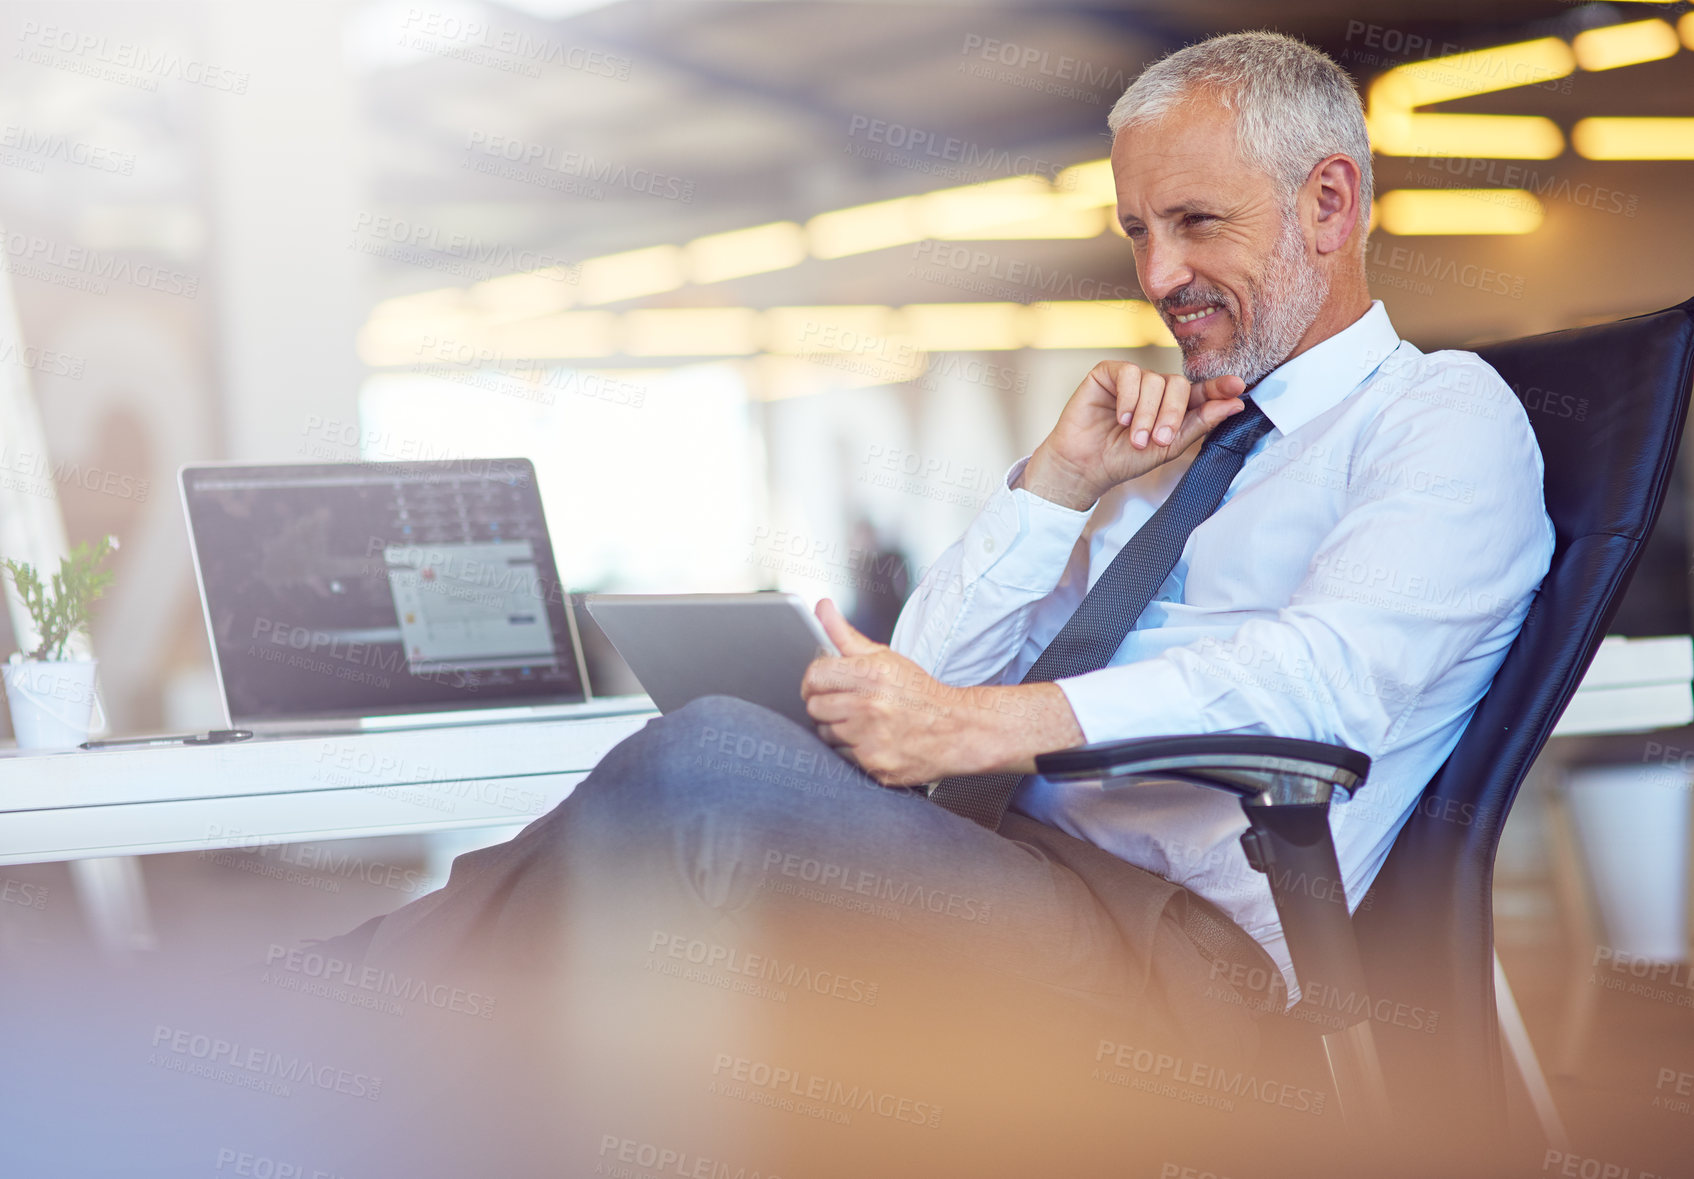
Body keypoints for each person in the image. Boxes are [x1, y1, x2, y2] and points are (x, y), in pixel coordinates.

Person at [301, 30, 1554, 1168]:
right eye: (1133, 232)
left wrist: (988, 725)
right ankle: (343, 1049)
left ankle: (305, 1027)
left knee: (702, 771)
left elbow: (1325, 678)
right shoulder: (1190, 449)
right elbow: (928, 669)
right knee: (670, 848)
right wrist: (1058, 487)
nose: (1157, 272)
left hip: (1178, 958)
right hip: (1004, 876)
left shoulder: (1439, 418)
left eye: (1193, 221)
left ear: (1326, 200)